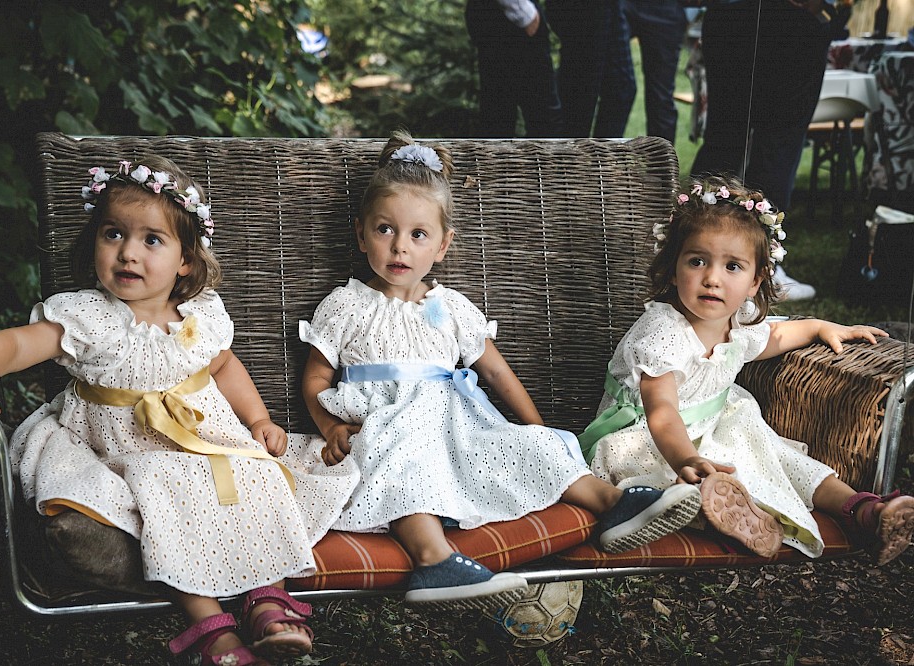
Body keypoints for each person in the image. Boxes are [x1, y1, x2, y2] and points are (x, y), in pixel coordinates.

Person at [0, 157, 359, 666]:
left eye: (152, 240)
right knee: (165, 491)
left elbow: (225, 366)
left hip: (206, 437)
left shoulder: (200, 315)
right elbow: (18, 346)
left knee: (256, 475)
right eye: (113, 234)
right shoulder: (88, 315)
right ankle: (212, 631)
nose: (128, 252)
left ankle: (268, 598)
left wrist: (258, 420)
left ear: (186, 262)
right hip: (122, 446)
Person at [298, 129, 704, 613]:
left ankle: (610, 504)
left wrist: (537, 427)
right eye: (385, 230)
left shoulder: (452, 307)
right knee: (407, 453)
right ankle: (433, 560)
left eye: (418, 234)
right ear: (362, 232)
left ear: (443, 246)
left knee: (529, 445)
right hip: (381, 427)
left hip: (458, 428)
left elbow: (496, 374)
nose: (400, 247)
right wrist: (331, 428)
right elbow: (316, 381)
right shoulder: (346, 305)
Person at [583, 175, 914, 563]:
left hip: (718, 424)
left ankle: (865, 510)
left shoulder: (738, 323)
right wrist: (686, 458)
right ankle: (728, 513)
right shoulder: (662, 333)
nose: (712, 278)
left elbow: (774, 337)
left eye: (733, 267)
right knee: (676, 483)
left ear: (756, 281)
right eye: (697, 261)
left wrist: (823, 327)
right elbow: (662, 413)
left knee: (785, 460)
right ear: (673, 270)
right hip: (652, 441)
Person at [688, 0, 852, 301]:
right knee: (778, 140)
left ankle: (692, 251)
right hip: (792, 20)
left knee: (726, 134)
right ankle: (763, 265)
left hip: (730, 16)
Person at [465, 0, 564, 137]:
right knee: (545, 123)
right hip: (512, 20)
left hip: (499, 15)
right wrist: (524, 13)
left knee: (498, 118)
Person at [546, 0, 633, 138]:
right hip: (582, 10)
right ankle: (571, 156)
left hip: (609, 6)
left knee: (621, 89)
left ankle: (601, 157)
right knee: (580, 100)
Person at [604, 0, 688, 144]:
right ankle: (601, 160)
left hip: (667, 10)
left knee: (661, 100)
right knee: (618, 89)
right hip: (622, 5)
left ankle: (661, 163)